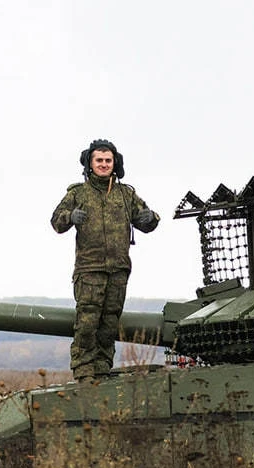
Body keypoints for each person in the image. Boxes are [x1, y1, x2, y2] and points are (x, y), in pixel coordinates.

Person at [51, 139, 159, 381]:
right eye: (98, 160)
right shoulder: (78, 193)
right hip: (90, 269)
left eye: (108, 161)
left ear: (115, 163)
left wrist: (149, 217)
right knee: (87, 321)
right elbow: (56, 222)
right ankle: (84, 372)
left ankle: (102, 369)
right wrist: (71, 216)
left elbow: (148, 222)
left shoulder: (126, 194)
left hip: (118, 269)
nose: (103, 164)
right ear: (90, 163)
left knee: (110, 322)